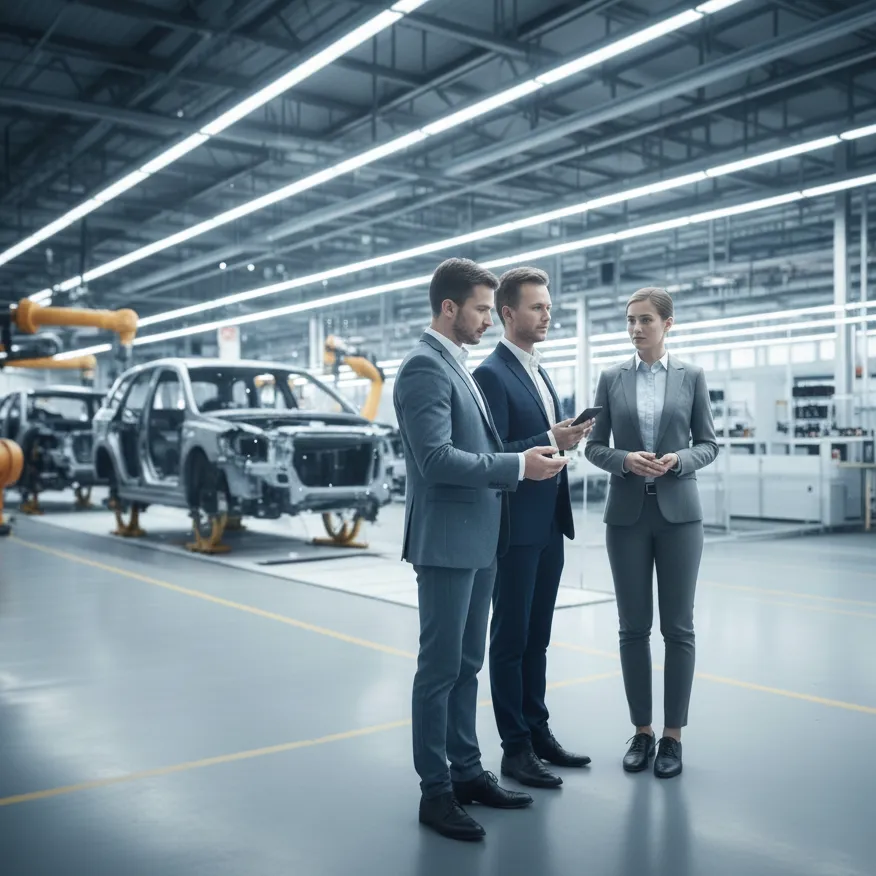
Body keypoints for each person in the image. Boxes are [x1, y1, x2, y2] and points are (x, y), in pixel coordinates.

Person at [393, 257, 569, 841]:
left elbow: (476, 443)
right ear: (449, 308)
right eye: (480, 310)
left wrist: (521, 458)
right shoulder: (424, 366)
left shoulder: (458, 365)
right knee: (439, 669)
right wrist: (517, 466)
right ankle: (435, 790)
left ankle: (466, 771)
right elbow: (436, 459)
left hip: (479, 538)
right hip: (447, 542)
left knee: (467, 665)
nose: (488, 321)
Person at [584, 286, 718, 779]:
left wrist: (679, 460)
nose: (636, 328)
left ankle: (672, 737)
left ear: (667, 324)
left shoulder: (692, 377)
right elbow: (593, 447)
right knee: (632, 627)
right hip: (626, 518)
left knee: (678, 628)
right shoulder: (610, 378)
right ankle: (641, 731)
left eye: (645, 320)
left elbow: (708, 443)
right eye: (630, 320)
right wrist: (624, 460)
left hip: (680, 517)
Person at [472, 266, 594, 789]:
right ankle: (515, 748)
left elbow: (542, 442)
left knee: (538, 637)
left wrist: (564, 438)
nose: (547, 315)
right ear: (508, 313)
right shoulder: (491, 375)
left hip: (548, 524)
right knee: (511, 638)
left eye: (548, 307)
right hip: (515, 525)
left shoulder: (540, 372)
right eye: (537, 307)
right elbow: (494, 452)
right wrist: (550, 436)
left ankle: (538, 731)